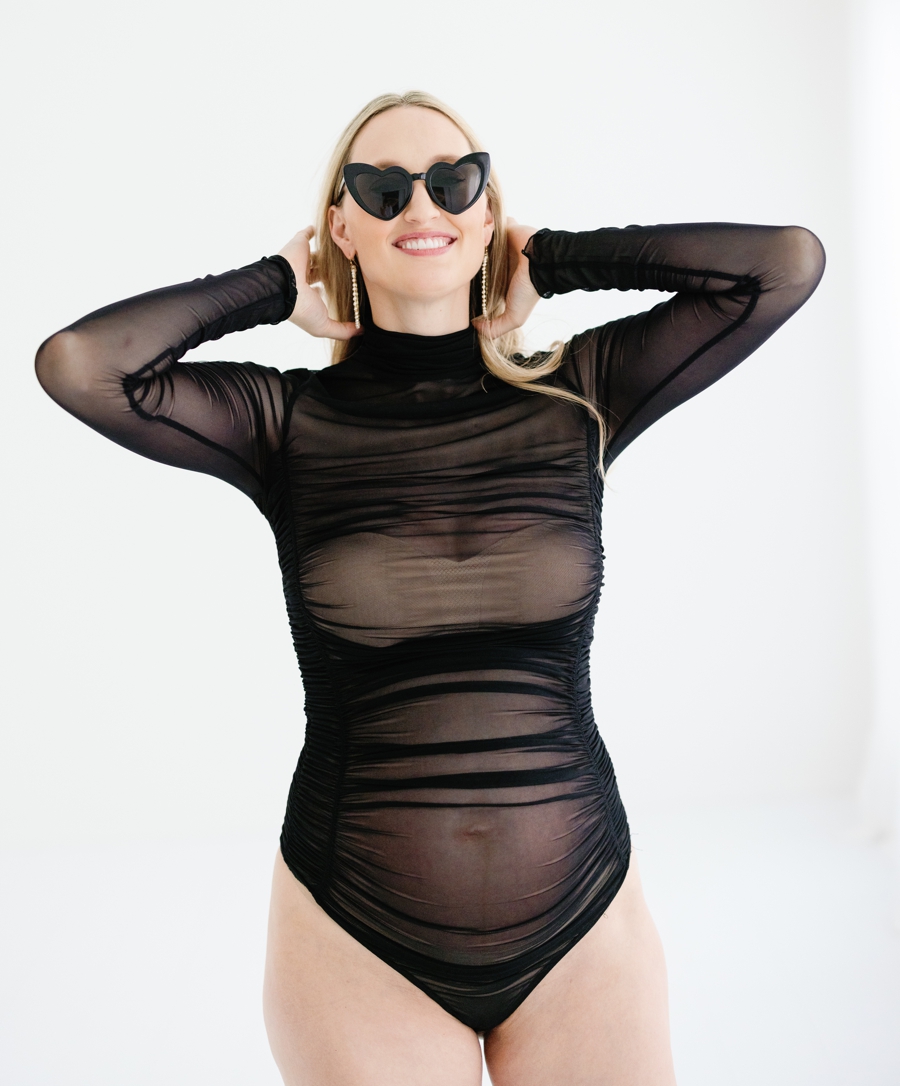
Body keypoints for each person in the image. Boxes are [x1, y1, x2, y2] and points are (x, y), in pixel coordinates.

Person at [35, 90, 825, 1086]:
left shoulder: (578, 393)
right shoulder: (284, 423)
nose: (422, 205)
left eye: (455, 182)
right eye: (383, 187)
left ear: (487, 210)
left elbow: (783, 264)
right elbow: (82, 365)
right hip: (357, 932)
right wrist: (277, 283)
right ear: (342, 226)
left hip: (584, 920)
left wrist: (554, 260)